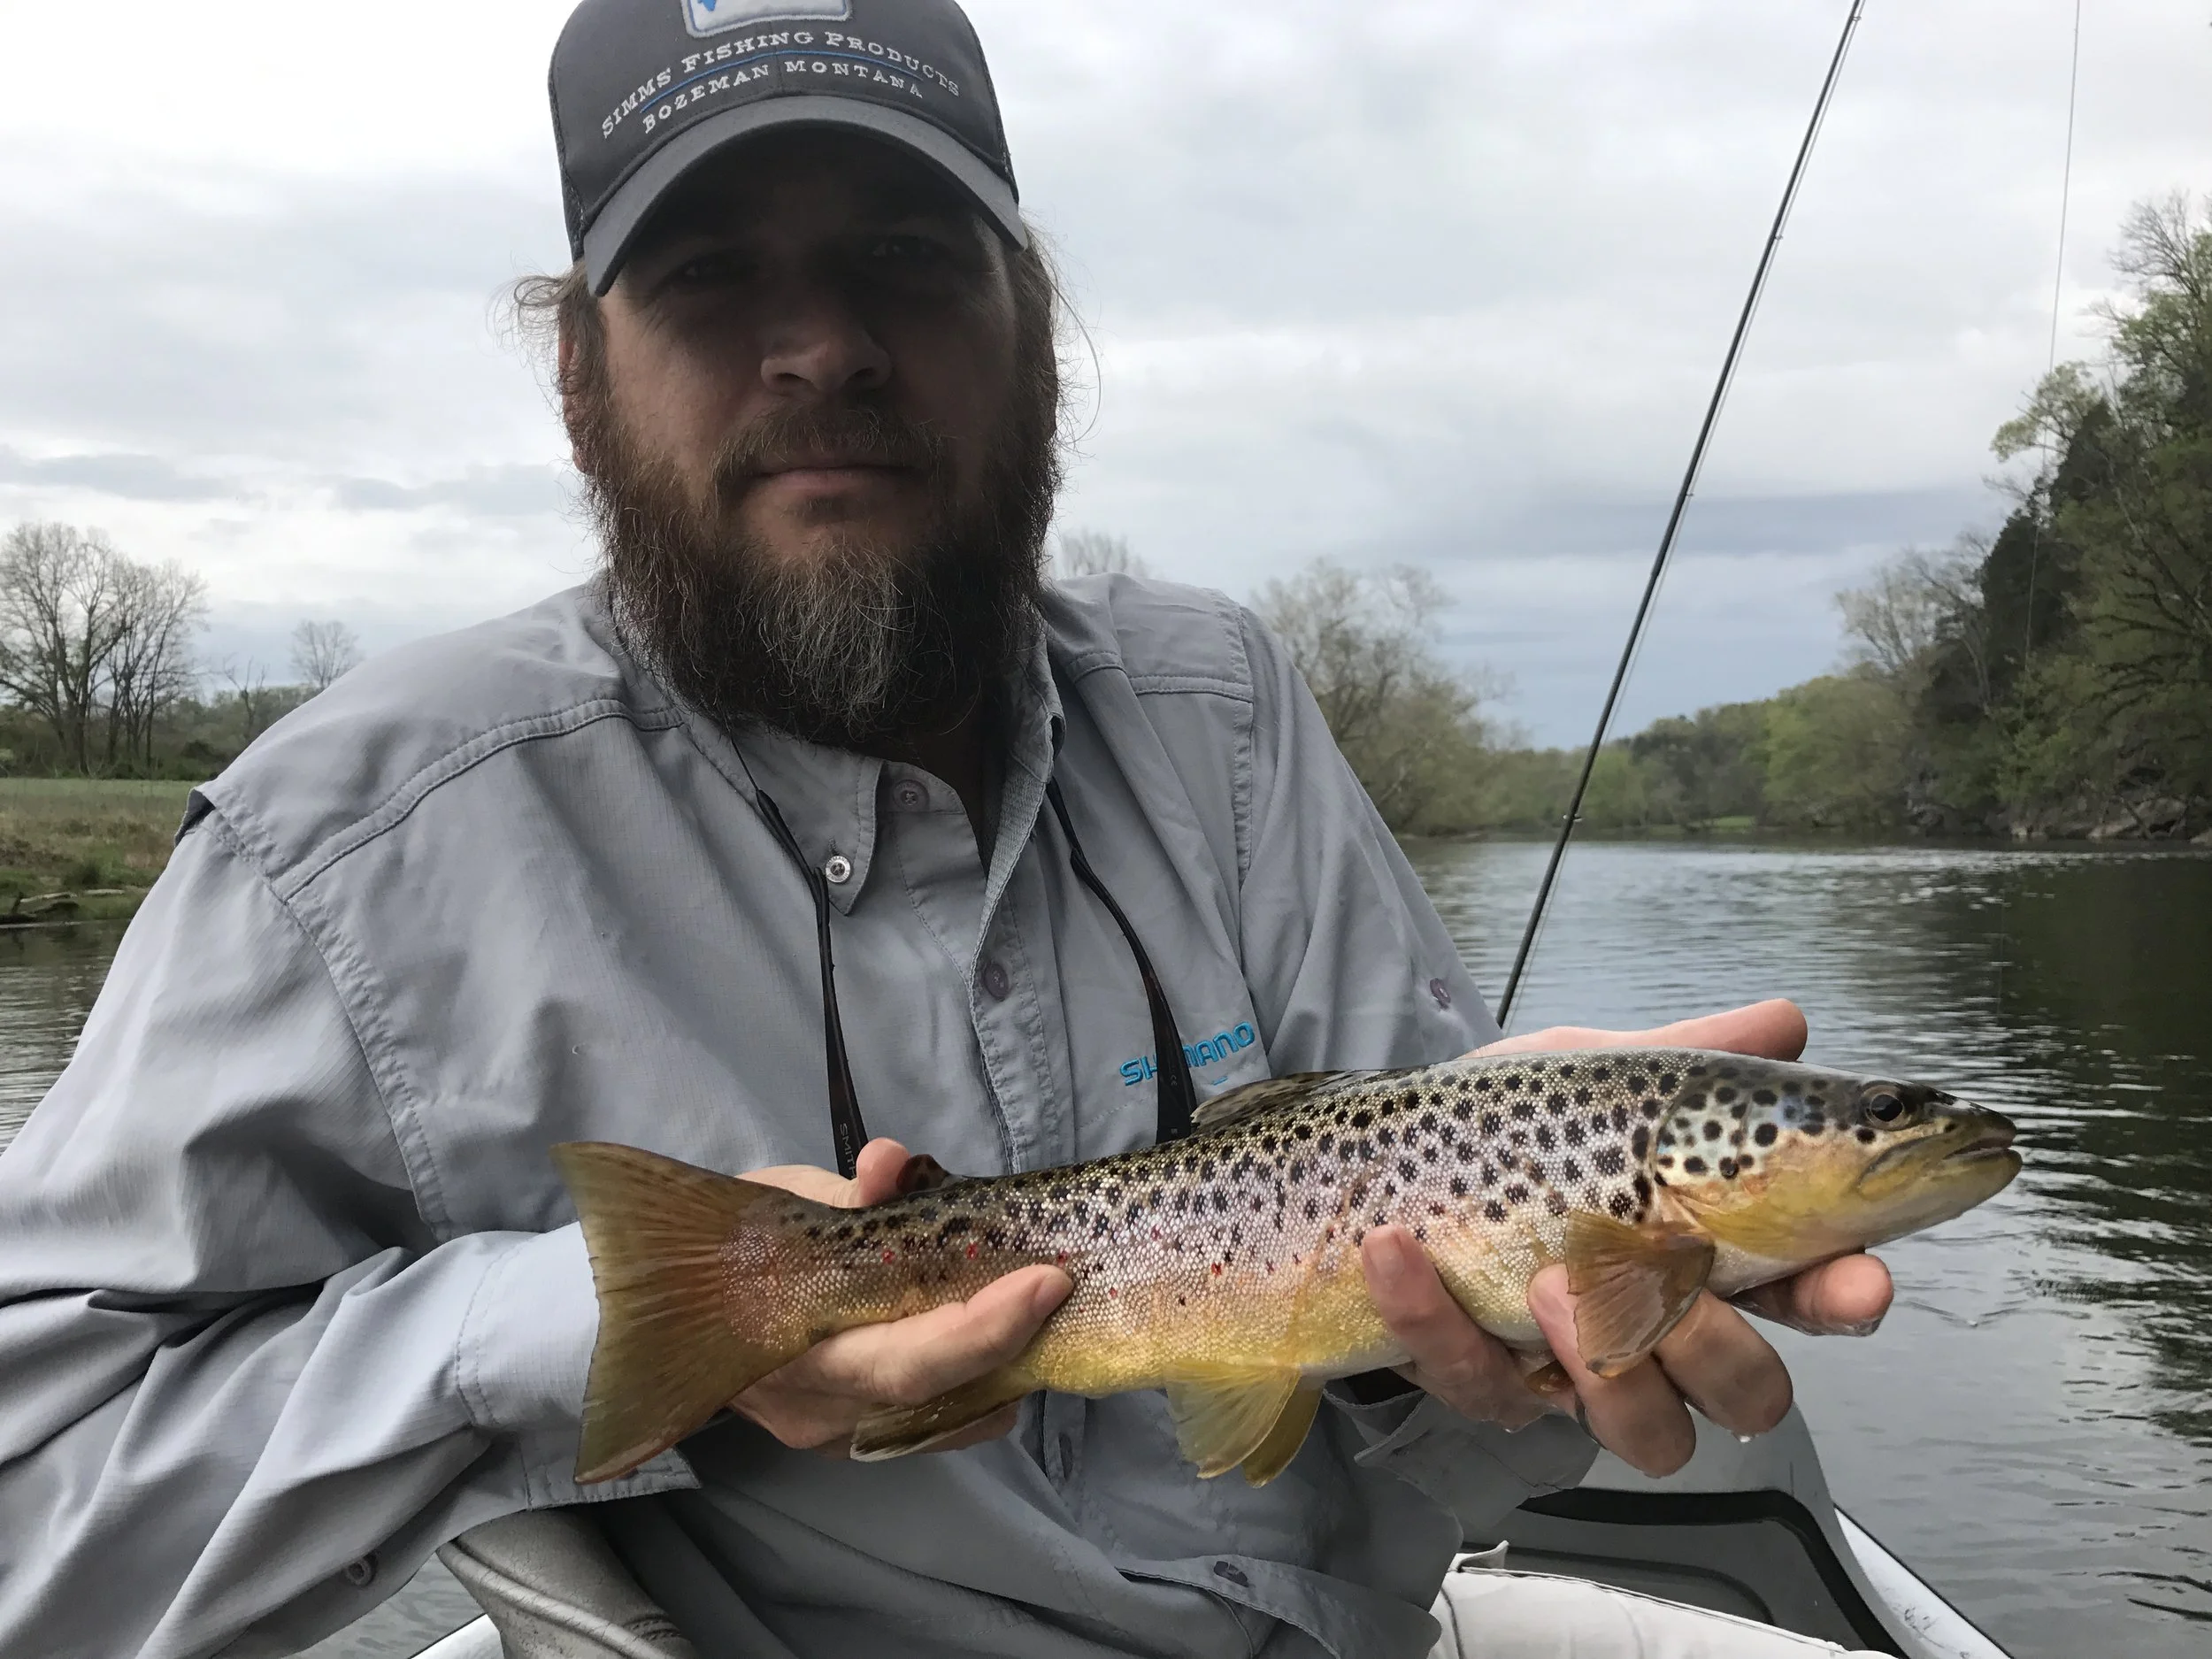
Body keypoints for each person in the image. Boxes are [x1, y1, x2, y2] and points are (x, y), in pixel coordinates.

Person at [0, 2, 1894, 1655]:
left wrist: (1504, 1323)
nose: (820, 346)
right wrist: (606, 1321)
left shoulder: (1222, 708)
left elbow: (1404, 1374)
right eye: (710, 274)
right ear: (579, 379)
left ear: (1033, 328)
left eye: (906, 253)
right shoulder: (355, 843)